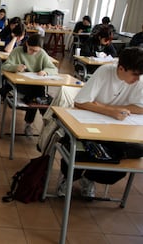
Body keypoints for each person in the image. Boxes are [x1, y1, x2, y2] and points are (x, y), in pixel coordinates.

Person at [57, 47, 143, 199]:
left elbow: (140, 108)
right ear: (121, 68)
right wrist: (110, 112)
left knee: (137, 151)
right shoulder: (105, 72)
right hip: (90, 123)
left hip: (118, 130)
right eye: (135, 75)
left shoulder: (139, 78)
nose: (137, 79)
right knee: (78, 146)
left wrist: (106, 107)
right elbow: (80, 102)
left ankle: (90, 177)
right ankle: (68, 178)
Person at [1, 34, 58, 136]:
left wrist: (45, 72)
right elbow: (5, 66)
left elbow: (53, 69)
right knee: (37, 95)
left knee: (37, 93)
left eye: (36, 51)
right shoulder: (17, 51)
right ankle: (31, 122)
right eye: (31, 49)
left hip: (35, 84)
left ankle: (43, 122)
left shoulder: (42, 53)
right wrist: (15, 67)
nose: (33, 53)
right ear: (27, 44)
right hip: (19, 84)